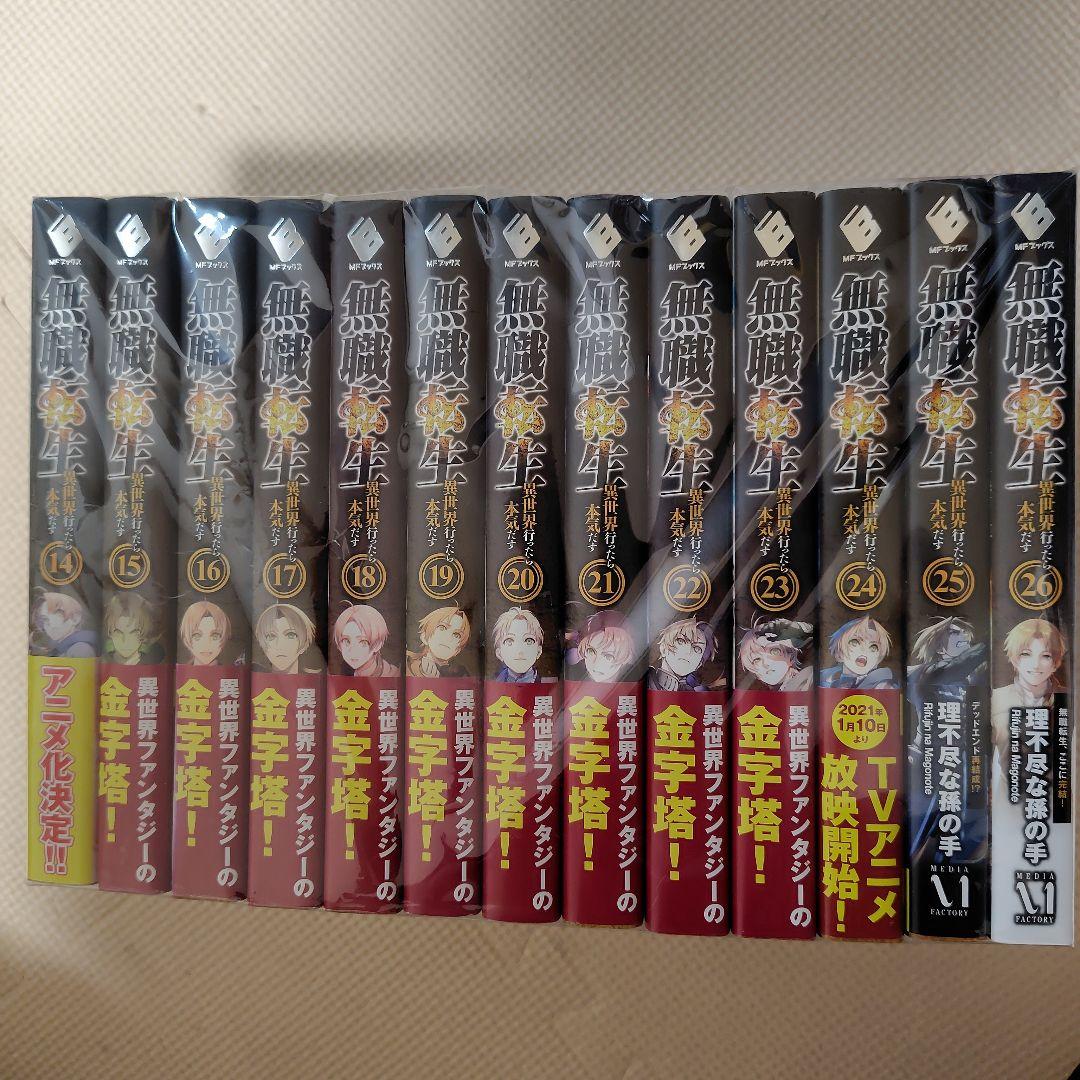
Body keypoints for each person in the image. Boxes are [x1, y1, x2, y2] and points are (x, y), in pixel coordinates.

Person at [819, 616, 898, 689]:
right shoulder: (826, 680)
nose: (865, 651)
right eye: (855, 642)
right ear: (839, 652)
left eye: (873, 647)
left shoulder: (883, 686)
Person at [737, 617, 813, 690]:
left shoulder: (807, 677)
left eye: (774, 651)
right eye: (757, 660)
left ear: (790, 654)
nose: (766, 664)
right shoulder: (782, 689)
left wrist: (798, 628)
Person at [648, 618, 718, 692]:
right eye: (681, 641)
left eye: (697, 648)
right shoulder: (648, 682)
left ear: (699, 664)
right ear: (663, 648)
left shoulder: (698, 692)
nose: (688, 651)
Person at [566, 611, 635, 684]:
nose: (596, 663)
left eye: (608, 656)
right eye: (591, 651)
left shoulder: (632, 682)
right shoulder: (574, 678)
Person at [333, 604, 398, 677]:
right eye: (346, 641)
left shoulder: (392, 675)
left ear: (378, 644)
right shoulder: (348, 671)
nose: (353, 650)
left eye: (363, 642)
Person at [406, 606, 470, 677]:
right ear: (424, 636)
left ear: (458, 650)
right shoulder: (407, 662)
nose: (448, 638)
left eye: (456, 635)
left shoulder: (461, 674)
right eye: (442, 628)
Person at [30, 591, 96, 658]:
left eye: (58, 616)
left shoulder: (79, 649)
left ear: (75, 618)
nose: (50, 624)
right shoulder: (59, 647)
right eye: (45, 619)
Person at [256, 603, 317, 674]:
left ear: (304, 642)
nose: (280, 645)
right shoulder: (255, 675)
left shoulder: (316, 678)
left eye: (290, 635)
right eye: (271, 636)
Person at [103, 594, 162, 665]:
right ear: (110, 632)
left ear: (144, 633)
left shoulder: (154, 662)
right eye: (118, 632)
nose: (125, 641)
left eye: (134, 633)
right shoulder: (101, 661)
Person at [491, 607, 544, 683]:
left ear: (538, 651)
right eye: (509, 641)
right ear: (499, 654)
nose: (520, 650)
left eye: (528, 641)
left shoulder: (547, 683)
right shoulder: (494, 683)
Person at [180, 601, 231, 666]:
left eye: (215, 636)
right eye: (197, 636)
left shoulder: (232, 671)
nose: (206, 643)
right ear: (186, 640)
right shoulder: (179, 671)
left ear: (225, 638)